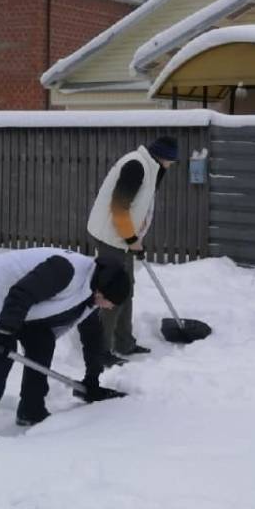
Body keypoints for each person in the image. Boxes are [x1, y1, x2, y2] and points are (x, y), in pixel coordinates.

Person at [0, 247, 131, 446]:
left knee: (42, 341)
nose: (110, 308)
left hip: (20, 302)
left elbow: (93, 339)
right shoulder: (66, 270)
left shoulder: (90, 296)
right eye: (110, 302)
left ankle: (31, 409)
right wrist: (4, 332)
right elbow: (21, 293)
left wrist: (92, 379)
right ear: (101, 291)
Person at [86, 135, 179, 361]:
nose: (172, 164)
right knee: (113, 292)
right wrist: (130, 238)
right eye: (172, 160)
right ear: (164, 156)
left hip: (121, 237)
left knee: (126, 289)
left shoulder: (149, 167)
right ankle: (101, 350)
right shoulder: (136, 166)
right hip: (111, 237)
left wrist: (134, 237)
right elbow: (119, 207)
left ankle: (124, 343)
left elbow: (139, 207)